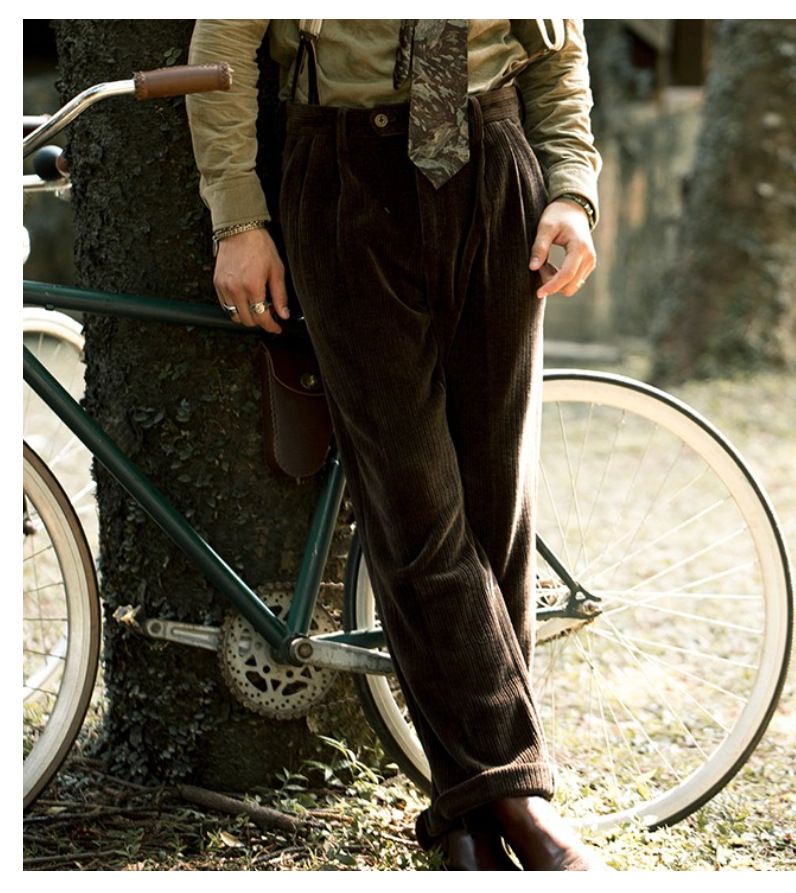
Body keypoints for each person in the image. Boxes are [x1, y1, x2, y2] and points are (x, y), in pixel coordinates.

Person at [186, 19, 605, 871]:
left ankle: (466, 822)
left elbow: (557, 47)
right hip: (346, 175)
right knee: (417, 504)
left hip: (497, 165)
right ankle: (520, 798)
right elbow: (221, 43)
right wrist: (237, 217)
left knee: (494, 513)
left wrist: (571, 188)